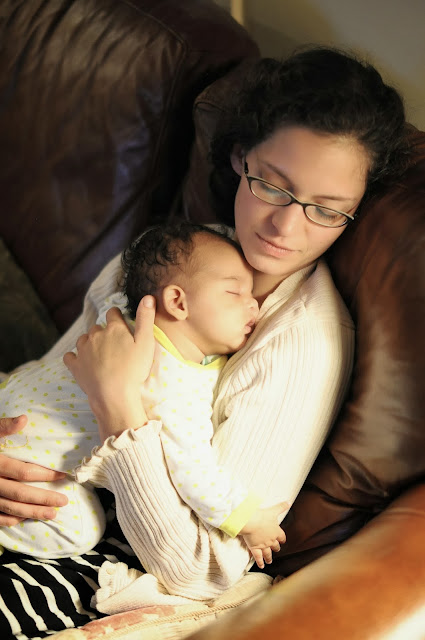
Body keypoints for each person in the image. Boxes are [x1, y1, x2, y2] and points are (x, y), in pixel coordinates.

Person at [0, 46, 409, 632]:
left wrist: (119, 409)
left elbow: (200, 572)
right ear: (240, 157)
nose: (285, 226)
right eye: (272, 185)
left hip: (104, 554)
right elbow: (48, 379)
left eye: (326, 210)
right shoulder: (164, 258)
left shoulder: (303, 349)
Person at [0, 222, 286, 565]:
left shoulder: (120, 324)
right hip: (28, 461)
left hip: (12, 400)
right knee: (82, 529)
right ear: (177, 301)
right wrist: (248, 521)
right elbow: (191, 470)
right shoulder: (172, 382)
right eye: (234, 293)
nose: (254, 305)